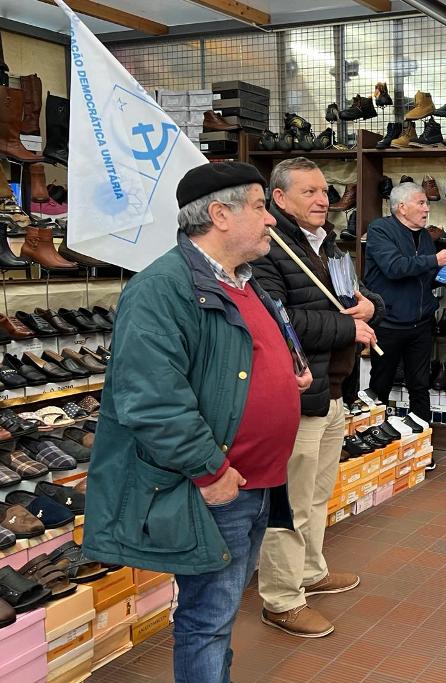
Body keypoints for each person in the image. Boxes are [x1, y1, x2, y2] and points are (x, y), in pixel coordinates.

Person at [82, 162, 312, 682]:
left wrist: (286, 370)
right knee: (207, 617)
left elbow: (236, 356)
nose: (271, 219)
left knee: (221, 611)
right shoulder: (161, 289)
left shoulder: (244, 282)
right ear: (219, 214)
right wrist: (209, 471)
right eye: (259, 206)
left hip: (258, 482)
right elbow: (152, 399)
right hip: (219, 485)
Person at [252, 157, 383, 638]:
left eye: (324, 190)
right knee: (290, 502)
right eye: (308, 192)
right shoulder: (267, 249)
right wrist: (349, 325)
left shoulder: (328, 245)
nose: (322, 200)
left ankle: (311, 570)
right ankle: (281, 598)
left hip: (335, 388)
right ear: (279, 199)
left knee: (317, 494)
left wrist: (372, 308)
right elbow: (279, 320)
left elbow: (359, 297)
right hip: (298, 394)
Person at [363, 182, 446, 436]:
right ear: (401, 207)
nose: (427, 209)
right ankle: (373, 439)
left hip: (420, 324)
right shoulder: (380, 230)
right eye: (421, 203)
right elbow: (394, 267)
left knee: (420, 386)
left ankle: (421, 444)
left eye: (426, 203)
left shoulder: (424, 237)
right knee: (381, 384)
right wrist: (436, 260)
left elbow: (427, 278)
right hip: (388, 324)